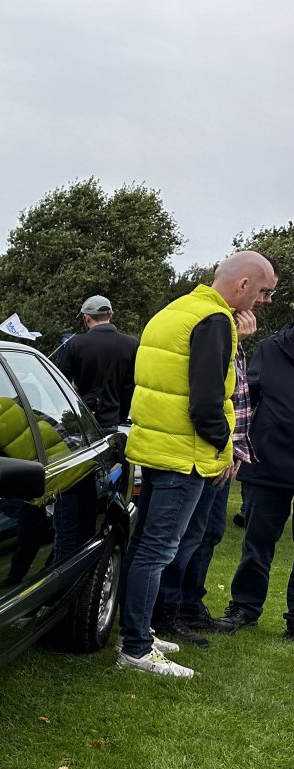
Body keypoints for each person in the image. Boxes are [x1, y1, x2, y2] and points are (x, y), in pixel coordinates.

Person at [116, 250, 278, 677]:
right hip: (183, 457)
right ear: (243, 285)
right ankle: (136, 646)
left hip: (155, 449)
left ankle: (134, 632)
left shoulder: (175, 310)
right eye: (264, 291)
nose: (264, 300)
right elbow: (207, 404)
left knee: (143, 547)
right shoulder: (214, 320)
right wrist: (224, 447)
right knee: (158, 551)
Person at [213, 301, 294, 639]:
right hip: (269, 462)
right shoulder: (270, 349)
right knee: (258, 542)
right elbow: (243, 395)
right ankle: (244, 607)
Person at [55, 295, 138, 432]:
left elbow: (61, 383)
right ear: (110, 315)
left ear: (87, 318)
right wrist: (121, 416)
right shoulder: (131, 344)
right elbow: (130, 387)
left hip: (82, 422)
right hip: (112, 421)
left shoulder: (75, 344)